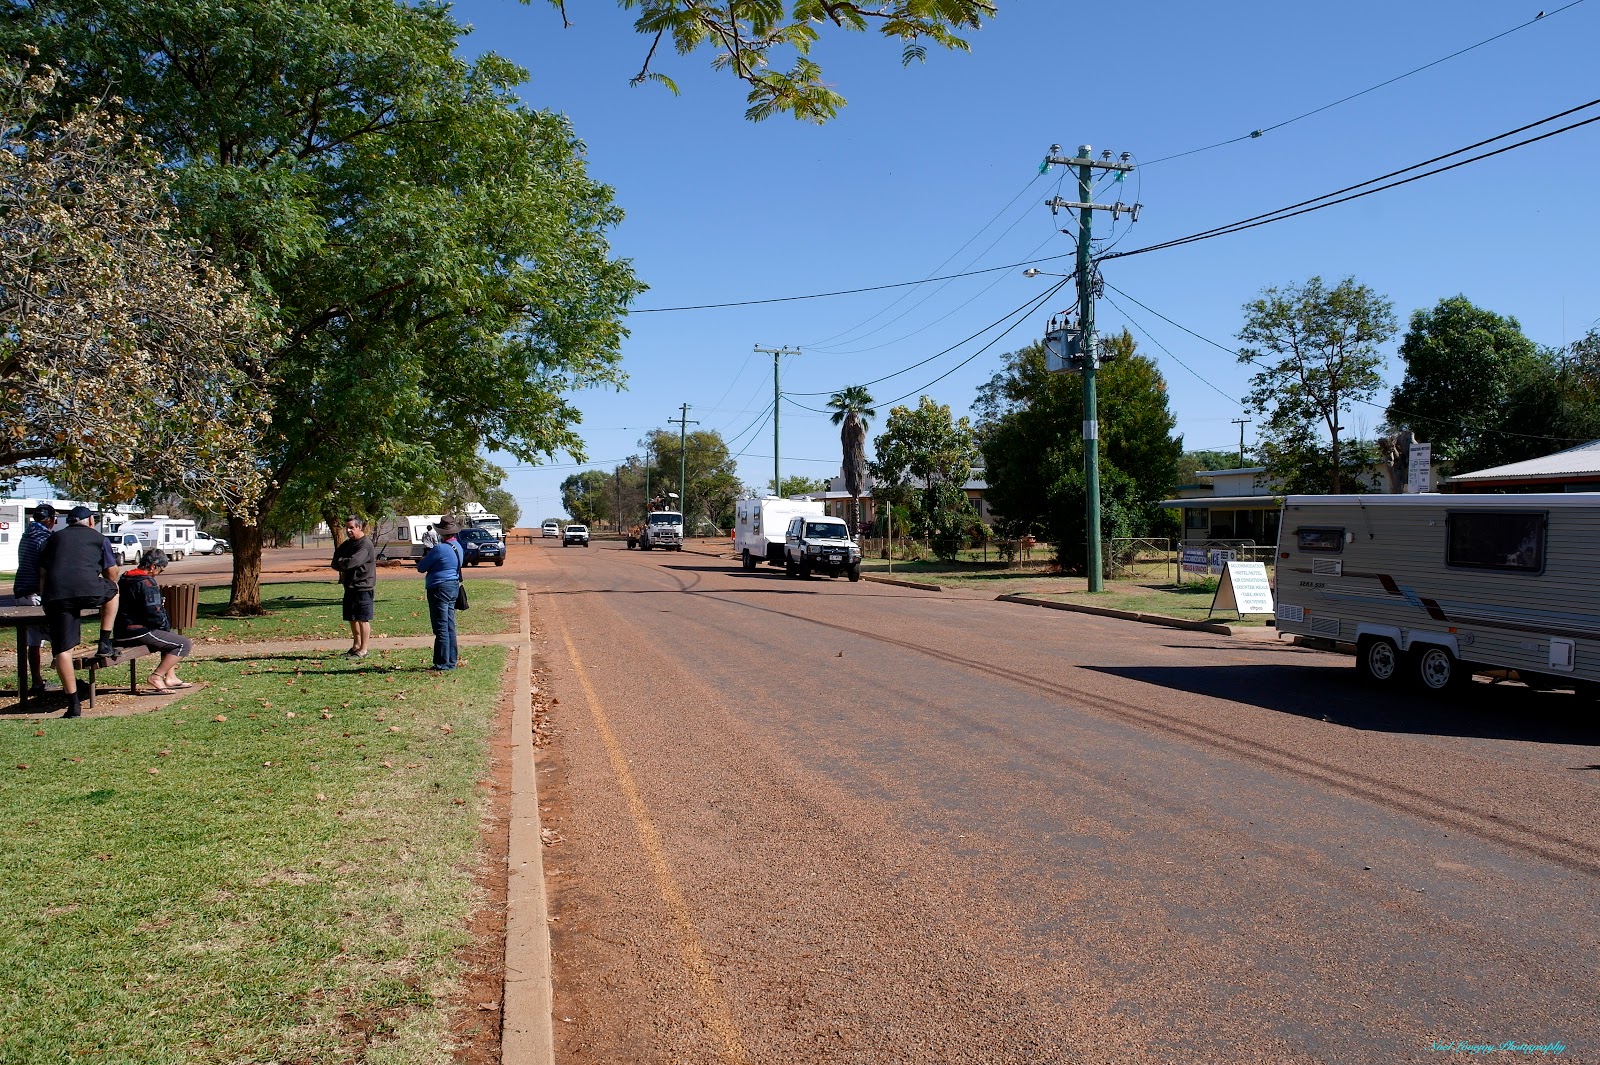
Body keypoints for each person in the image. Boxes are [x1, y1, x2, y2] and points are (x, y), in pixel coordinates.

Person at [37, 506, 120, 718]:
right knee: (114, 590)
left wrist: (45, 599)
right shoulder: (99, 538)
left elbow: (43, 574)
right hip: (89, 590)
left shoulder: (52, 539)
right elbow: (112, 574)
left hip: (57, 595)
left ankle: (73, 706)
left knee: (63, 650)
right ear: (91, 521)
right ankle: (104, 642)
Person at [113, 549, 194, 691]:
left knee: (169, 637)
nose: (158, 574)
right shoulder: (147, 583)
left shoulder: (126, 578)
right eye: (160, 570)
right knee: (184, 644)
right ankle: (156, 676)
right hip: (137, 632)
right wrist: (163, 622)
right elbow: (153, 612)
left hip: (122, 630)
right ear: (152, 566)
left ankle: (171, 677)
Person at [12, 503, 57, 697]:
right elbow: (44, 572)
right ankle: (66, 677)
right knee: (59, 634)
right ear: (50, 519)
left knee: (33, 641)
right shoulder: (45, 538)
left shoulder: (26, 536)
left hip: (21, 590)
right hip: (37, 593)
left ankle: (37, 680)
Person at [415, 513, 463, 671]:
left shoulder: (439, 549)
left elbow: (421, 568)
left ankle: (442, 662)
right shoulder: (458, 547)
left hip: (439, 588)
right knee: (450, 625)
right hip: (453, 586)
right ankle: (451, 660)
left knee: (441, 626)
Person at [330, 514, 378, 658]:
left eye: (351, 528)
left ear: (359, 527)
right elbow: (335, 561)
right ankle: (356, 646)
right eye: (347, 528)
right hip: (350, 586)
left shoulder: (365, 544)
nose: (348, 531)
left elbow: (352, 562)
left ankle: (364, 649)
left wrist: (342, 562)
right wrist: (342, 562)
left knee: (363, 618)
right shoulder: (348, 543)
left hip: (363, 586)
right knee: (352, 617)